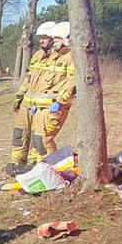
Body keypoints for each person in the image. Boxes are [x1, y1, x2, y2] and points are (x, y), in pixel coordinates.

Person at [7, 21, 57, 174]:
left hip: (44, 107)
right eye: (40, 38)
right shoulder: (37, 55)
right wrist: (19, 97)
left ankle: (38, 166)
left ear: (53, 38)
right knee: (19, 134)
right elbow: (28, 79)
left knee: (39, 139)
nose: (41, 41)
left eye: (44, 37)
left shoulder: (62, 58)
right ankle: (17, 163)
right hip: (28, 104)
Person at [38, 21, 77, 156]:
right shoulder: (56, 56)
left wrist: (60, 102)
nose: (54, 42)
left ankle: (49, 165)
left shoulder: (71, 57)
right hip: (47, 105)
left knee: (46, 138)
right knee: (38, 137)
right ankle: (39, 165)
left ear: (66, 39)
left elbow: (72, 83)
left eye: (57, 39)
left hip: (58, 106)